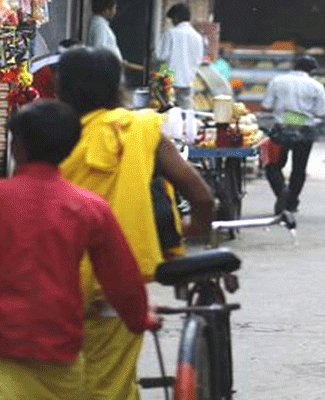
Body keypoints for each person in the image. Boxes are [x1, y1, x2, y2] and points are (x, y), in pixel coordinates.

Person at [57, 47, 214, 400]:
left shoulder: (46, 134)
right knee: (108, 387)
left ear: (60, 88)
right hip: (117, 287)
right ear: (118, 87)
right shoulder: (141, 129)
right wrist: (186, 240)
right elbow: (202, 197)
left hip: (50, 285)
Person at [0, 100, 160, 399]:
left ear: (17, 146)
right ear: (71, 146)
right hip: (58, 350)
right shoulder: (88, 207)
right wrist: (140, 319)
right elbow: (122, 279)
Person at [261, 55, 325, 214]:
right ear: (312, 71)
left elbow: (266, 105)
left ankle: (281, 192)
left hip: (281, 129)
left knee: (272, 165)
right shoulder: (316, 86)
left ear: (294, 66)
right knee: (299, 169)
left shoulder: (277, 81)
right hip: (305, 130)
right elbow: (323, 112)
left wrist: (285, 111)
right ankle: (291, 202)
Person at [156, 2, 204, 109]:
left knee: (167, 114)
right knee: (185, 114)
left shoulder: (170, 34)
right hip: (188, 83)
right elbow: (199, 60)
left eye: (172, 19)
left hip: (168, 81)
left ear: (176, 18)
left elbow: (161, 56)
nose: (172, 22)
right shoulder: (197, 37)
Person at [87, 0, 142, 72]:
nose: (115, 11)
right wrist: (116, 61)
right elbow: (99, 51)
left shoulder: (102, 24)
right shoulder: (99, 26)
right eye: (114, 8)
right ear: (106, 10)